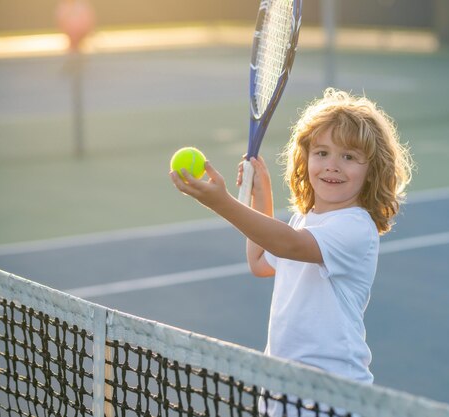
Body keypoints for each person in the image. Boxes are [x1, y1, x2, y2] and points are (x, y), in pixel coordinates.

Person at [170, 88, 413, 412]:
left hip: (332, 396)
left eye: (349, 157)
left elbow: (287, 244)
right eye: (322, 152)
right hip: (282, 390)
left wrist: (221, 202)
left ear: (372, 171)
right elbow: (260, 261)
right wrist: (262, 194)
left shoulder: (356, 228)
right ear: (306, 157)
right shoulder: (304, 219)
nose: (332, 166)